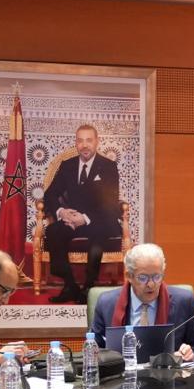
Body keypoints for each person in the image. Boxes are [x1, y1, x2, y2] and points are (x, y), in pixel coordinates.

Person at [41, 123, 122, 303]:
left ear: (97, 142)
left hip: (99, 220)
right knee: (53, 231)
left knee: (98, 234)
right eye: (80, 141)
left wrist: (84, 219)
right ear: (76, 143)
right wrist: (62, 212)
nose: (84, 145)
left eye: (89, 140)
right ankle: (70, 285)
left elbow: (110, 202)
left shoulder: (108, 166)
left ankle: (88, 287)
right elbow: (50, 194)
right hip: (72, 219)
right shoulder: (67, 166)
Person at [89, 242, 194, 361]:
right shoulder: (106, 303)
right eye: (143, 278)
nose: (151, 284)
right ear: (129, 276)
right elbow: (94, 347)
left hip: (169, 372)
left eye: (157, 277)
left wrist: (191, 355)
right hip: (122, 371)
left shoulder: (184, 302)